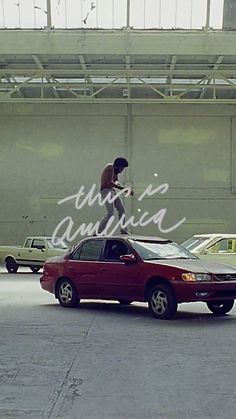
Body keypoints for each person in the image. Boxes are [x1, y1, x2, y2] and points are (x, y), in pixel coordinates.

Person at [98, 157, 134, 235]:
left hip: (111, 191)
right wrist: (124, 189)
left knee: (121, 209)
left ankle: (123, 229)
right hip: (106, 190)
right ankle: (99, 230)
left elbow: (116, 182)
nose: (122, 170)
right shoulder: (110, 168)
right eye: (122, 168)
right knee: (110, 212)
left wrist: (122, 187)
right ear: (118, 166)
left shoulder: (115, 171)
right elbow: (110, 183)